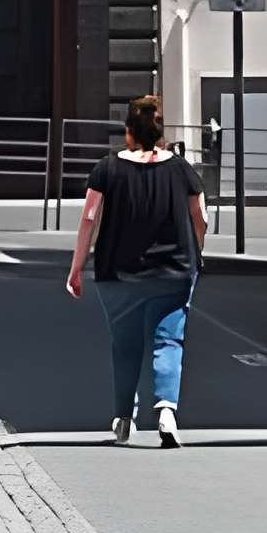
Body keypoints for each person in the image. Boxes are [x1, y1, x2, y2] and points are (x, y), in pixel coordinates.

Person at [63, 95, 208, 446]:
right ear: (160, 132)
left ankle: (123, 418)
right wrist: (197, 252)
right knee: (168, 340)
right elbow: (200, 216)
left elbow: (89, 219)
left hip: (118, 273)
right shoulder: (181, 169)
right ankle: (166, 413)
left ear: (128, 132)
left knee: (124, 345)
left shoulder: (107, 169)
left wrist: (77, 267)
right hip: (174, 270)